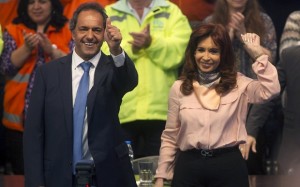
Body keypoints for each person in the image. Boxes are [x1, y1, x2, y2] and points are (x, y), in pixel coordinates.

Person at [23, 2, 138, 187]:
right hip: (58, 176)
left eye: (97, 30)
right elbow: (34, 133)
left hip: (108, 175)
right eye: (83, 29)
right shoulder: (48, 73)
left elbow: (129, 81)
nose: (90, 36)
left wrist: (116, 49)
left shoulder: (113, 68)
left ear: (104, 34)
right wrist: (35, 182)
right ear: (73, 32)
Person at [154, 23, 280, 187]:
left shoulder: (239, 83)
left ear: (223, 54)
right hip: (188, 167)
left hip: (228, 167)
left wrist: (258, 55)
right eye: (201, 50)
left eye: (213, 51)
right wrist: (161, 176)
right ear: (193, 52)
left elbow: (271, 90)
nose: (206, 57)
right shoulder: (179, 87)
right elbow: (170, 136)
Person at [104, 0, 192, 159]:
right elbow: (102, 54)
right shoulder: (109, 13)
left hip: (163, 113)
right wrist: (133, 49)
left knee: (162, 175)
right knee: (122, 177)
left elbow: (179, 52)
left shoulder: (172, 11)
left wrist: (151, 43)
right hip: (121, 111)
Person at [203, 0, 279, 174]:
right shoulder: (210, 22)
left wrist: (244, 35)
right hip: (220, 104)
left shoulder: (263, 21)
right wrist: (228, 34)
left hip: (257, 104)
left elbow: (271, 59)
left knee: (252, 162)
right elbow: (206, 59)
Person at [0, 0, 72, 174]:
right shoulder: (13, 29)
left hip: (57, 123)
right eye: (31, 2)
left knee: (56, 175)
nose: (36, 6)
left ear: (53, 4)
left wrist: (51, 49)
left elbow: (77, 67)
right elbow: (5, 67)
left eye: (42, 2)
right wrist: (27, 47)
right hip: (19, 126)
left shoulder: (68, 29)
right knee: (23, 175)